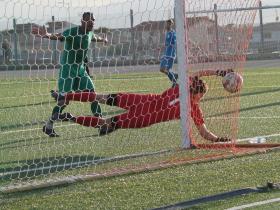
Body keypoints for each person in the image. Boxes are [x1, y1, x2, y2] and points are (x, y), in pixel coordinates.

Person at [56, 69, 233, 143]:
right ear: (197, 94)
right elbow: (204, 132)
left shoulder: (185, 86)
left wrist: (219, 72)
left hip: (143, 102)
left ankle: (66, 97)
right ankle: (70, 115)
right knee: (106, 121)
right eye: (202, 95)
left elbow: (199, 73)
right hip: (144, 116)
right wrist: (217, 139)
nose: (202, 98)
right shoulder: (194, 107)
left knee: (103, 98)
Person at [32, 12, 108, 137]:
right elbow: (59, 36)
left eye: (93, 20)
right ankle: (48, 126)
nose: (92, 22)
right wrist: (46, 35)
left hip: (80, 69)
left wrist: (103, 39)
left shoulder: (89, 33)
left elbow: (95, 38)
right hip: (68, 69)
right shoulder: (72, 32)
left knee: (93, 95)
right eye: (89, 20)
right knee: (64, 101)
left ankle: (100, 123)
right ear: (82, 21)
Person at [160, 19, 177, 87]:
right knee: (162, 69)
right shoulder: (167, 33)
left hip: (171, 54)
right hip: (166, 54)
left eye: (168, 24)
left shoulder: (173, 33)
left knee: (165, 69)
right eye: (166, 24)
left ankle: (174, 81)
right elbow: (167, 44)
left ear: (171, 25)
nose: (167, 25)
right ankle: (174, 75)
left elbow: (174, 43)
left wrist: (170, 45)